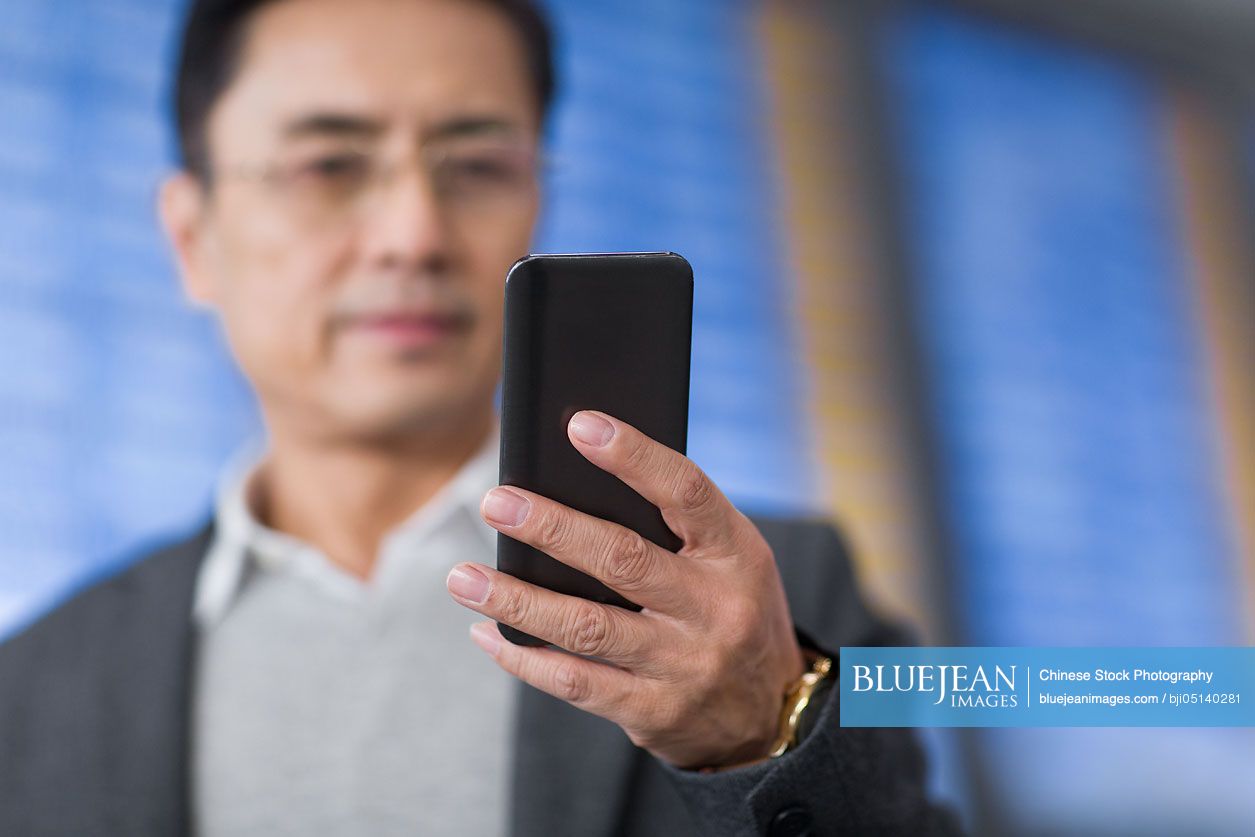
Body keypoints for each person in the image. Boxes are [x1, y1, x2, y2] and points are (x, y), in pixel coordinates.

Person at [0, 0, 963, 834]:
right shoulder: (33, 687)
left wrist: (761, 733)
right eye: (329, 164)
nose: (414, 233)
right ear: (190, 237)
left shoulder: (782, 600)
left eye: (478, 165)